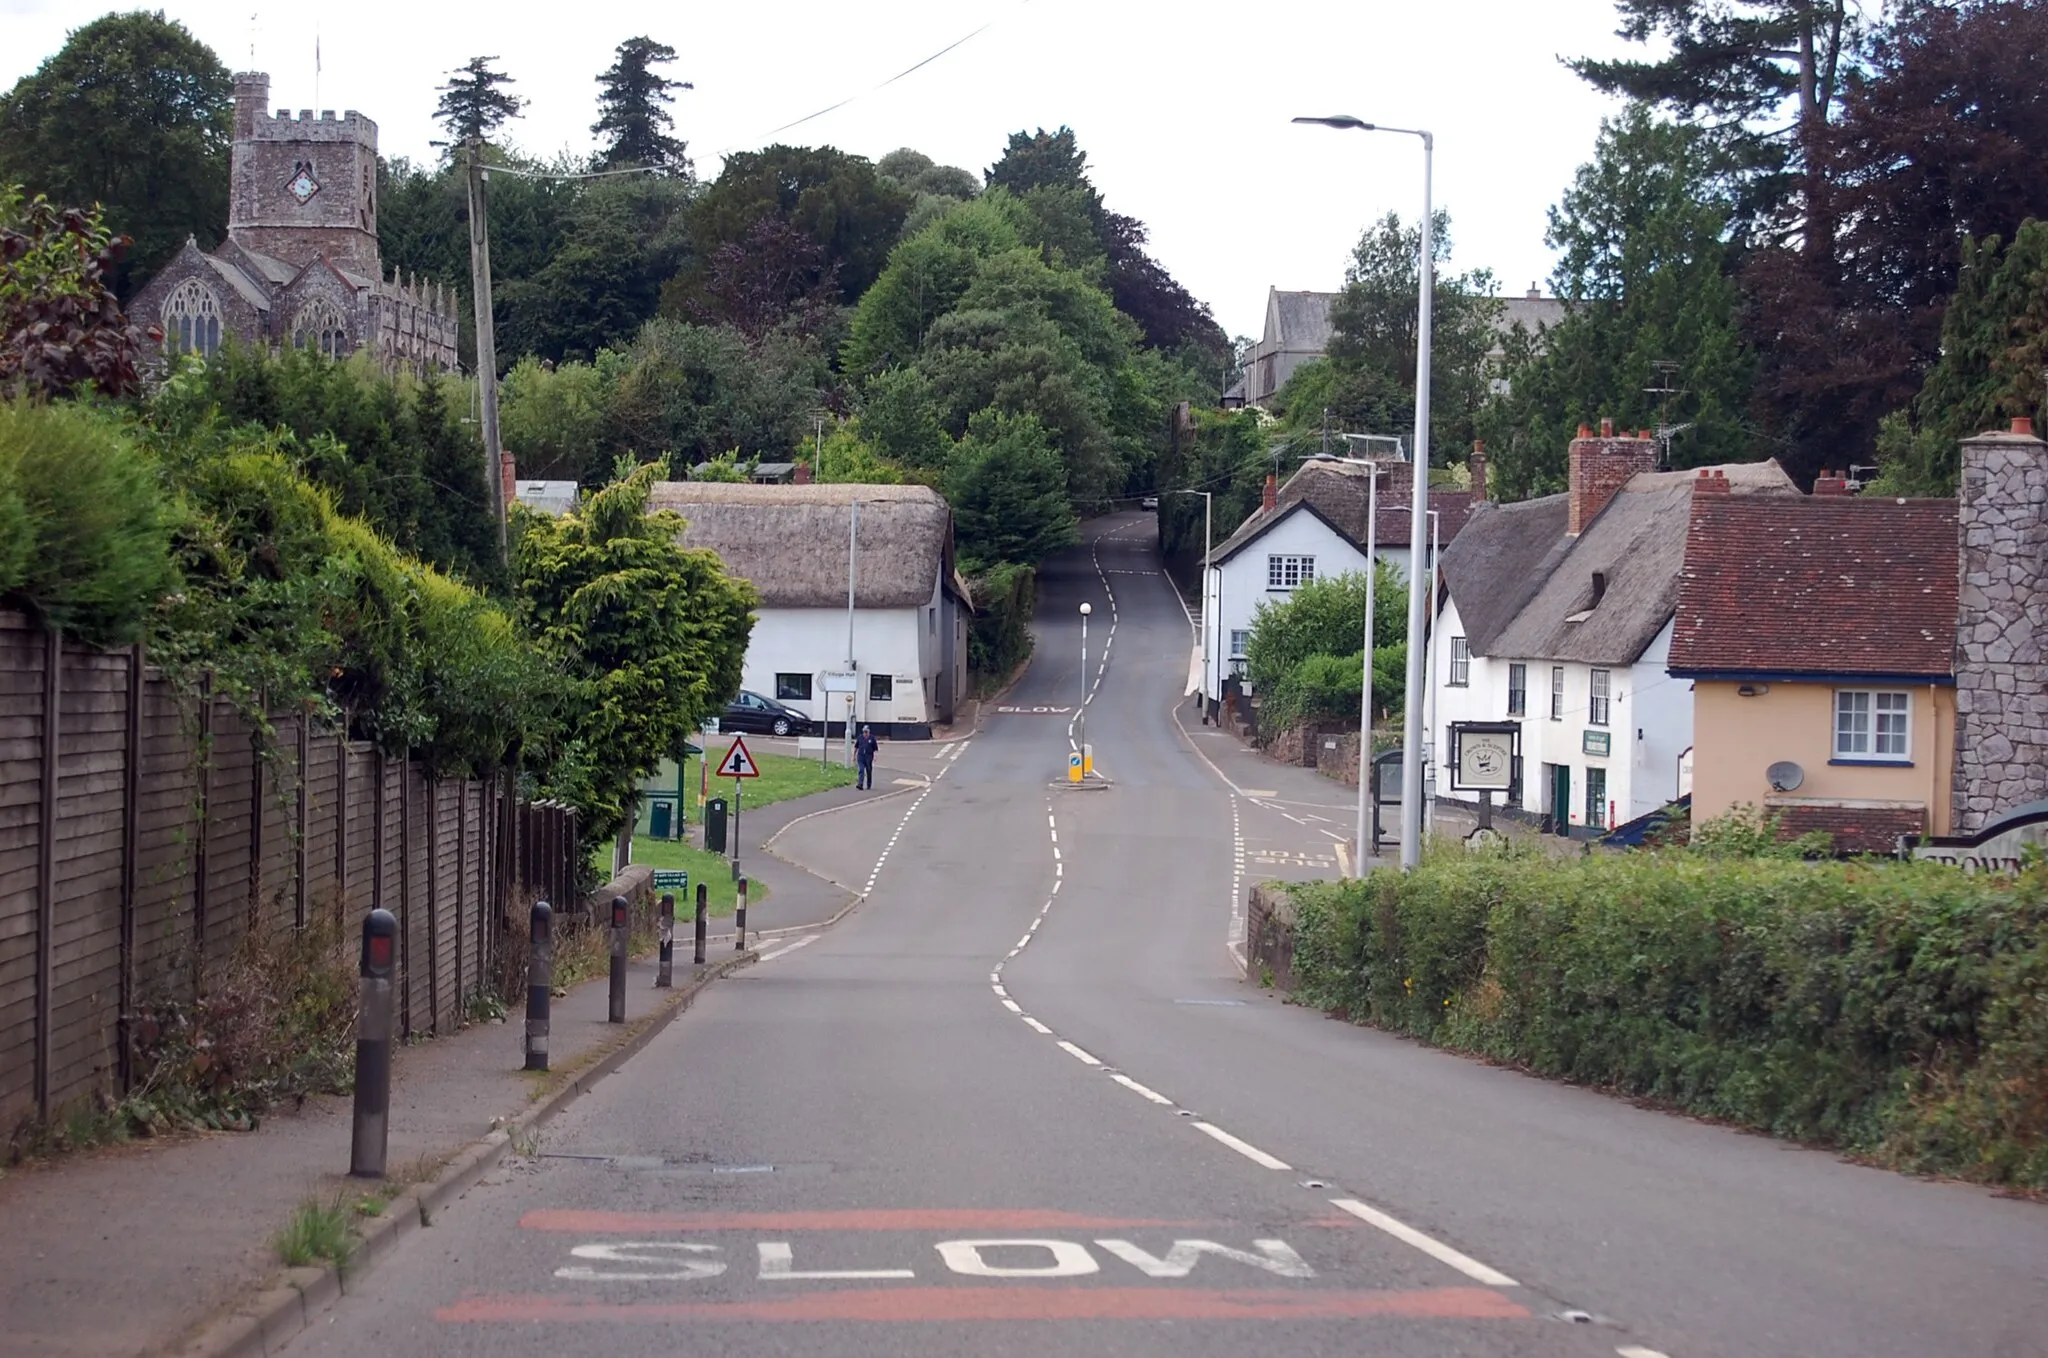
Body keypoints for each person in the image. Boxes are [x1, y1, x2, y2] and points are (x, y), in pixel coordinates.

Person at [854, 724, 878, 790]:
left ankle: (869, 784)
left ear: (869, 731)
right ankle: (860, 784)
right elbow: (856, 747)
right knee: (861, 770)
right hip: (861, 756)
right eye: (864, 732)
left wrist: (875, 756)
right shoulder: (860, 737)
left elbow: (875, 749)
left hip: (869, 757)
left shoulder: (872, 738)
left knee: (869, 770)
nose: (865, 733)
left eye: (866, 732)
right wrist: (854, 756)